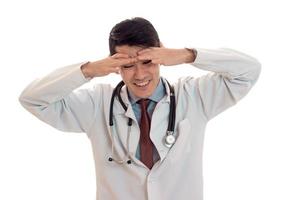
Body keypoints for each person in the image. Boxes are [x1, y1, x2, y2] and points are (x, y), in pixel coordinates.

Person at [19, 17, 261, 200]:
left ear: (161, 54)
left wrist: (187, 55)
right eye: (127, 64)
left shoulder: (194, 96)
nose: (140, 74)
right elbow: (32, 99)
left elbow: (249, 71)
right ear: (113, 63)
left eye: (147, 61)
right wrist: (90, 70)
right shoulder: (97, 104)